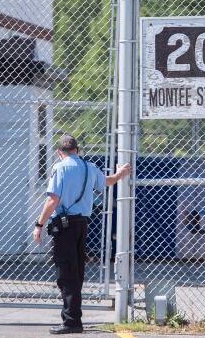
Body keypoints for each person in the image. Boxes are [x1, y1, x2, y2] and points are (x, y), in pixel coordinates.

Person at [32, 134, 132, 335]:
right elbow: (108, 181)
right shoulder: (89, 167)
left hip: (65, 226)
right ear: (77, 150)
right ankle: (73, 318)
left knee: (66, 274)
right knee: (76, 272)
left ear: (60, 152)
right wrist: (120, 173)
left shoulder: (59, 168)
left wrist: (39, 224)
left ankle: (71, 322)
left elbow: (52, 200)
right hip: (81, 224)